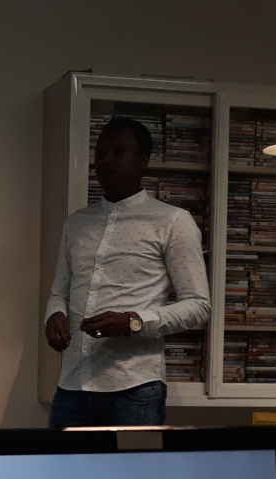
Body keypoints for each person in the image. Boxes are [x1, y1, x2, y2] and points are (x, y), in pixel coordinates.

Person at [44, 117, 210, 428]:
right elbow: (59, 292)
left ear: (143, 161)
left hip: (134, 388)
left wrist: (133, 322)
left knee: (133, 463)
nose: (106, 160)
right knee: (61, 462)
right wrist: (53, 314)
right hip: (73, 384)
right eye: (100, 154)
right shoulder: (77, 223)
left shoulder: (173, 221)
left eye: (118, 152)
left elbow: (198, 305)